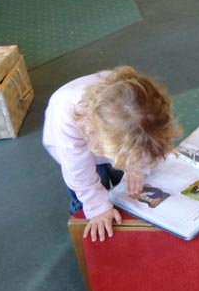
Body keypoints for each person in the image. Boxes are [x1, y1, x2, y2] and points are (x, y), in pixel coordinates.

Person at [42, 67, 182, 242]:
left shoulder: (139, 99)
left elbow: (148, 141)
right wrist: (97, 208)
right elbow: (78, 170)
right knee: (90, 197)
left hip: (116, 139)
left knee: (125, 188)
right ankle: (83, 228)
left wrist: (137, 168)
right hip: (75, 151)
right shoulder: (66, 113)